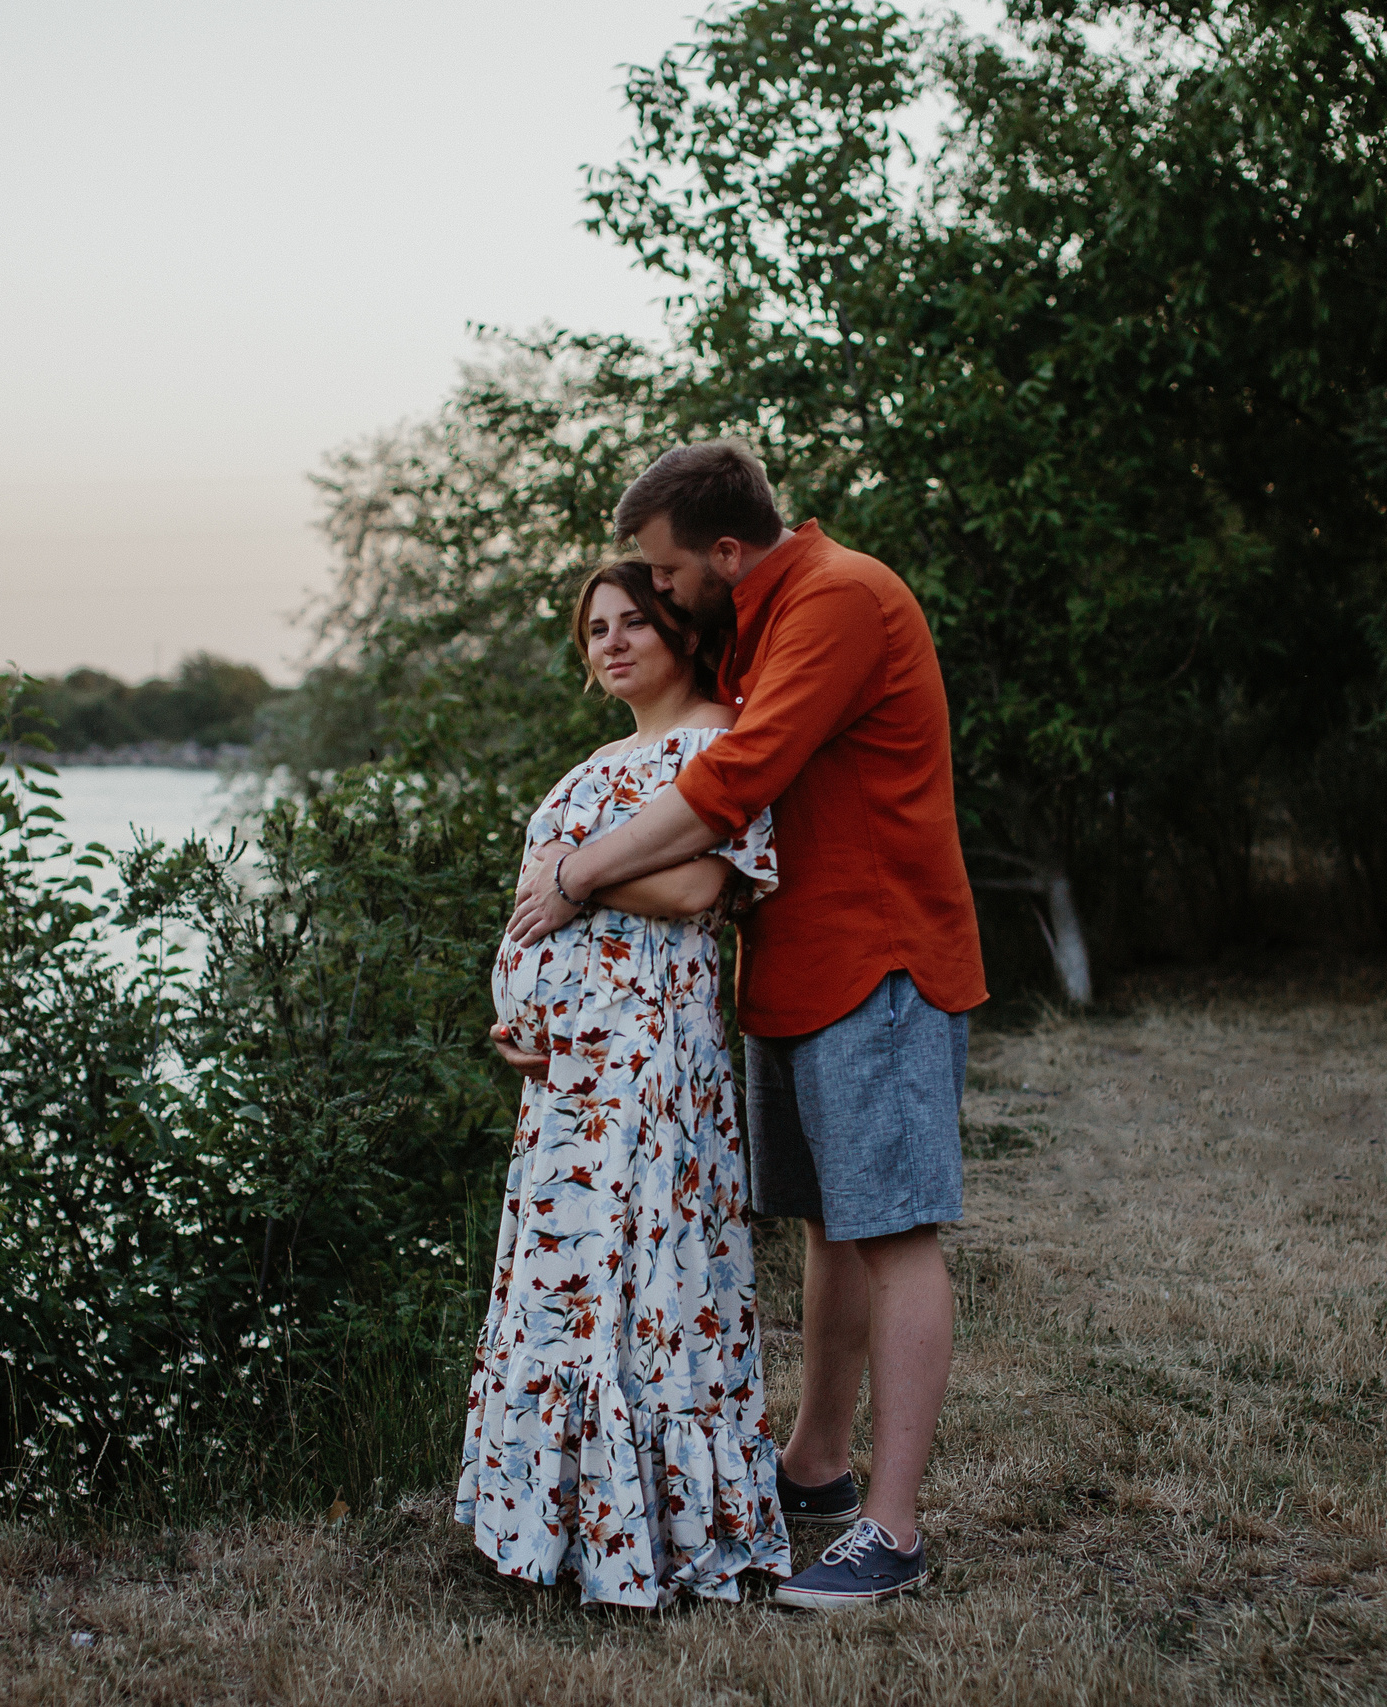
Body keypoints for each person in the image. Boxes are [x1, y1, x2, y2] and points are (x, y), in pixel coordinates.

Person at [504, 440, 987, 1610]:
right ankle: (815, 1467)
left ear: (724, 552)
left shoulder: (837, 599)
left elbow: (735, 781)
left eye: (667, 575)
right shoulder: (758, 622)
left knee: (895, 1228)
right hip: (795, 969)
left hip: (878, 958)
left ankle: (893, 1530)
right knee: (829, 1223)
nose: (660, 595)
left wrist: (572, 874)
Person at [457, 559, 791, 1608]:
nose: (609, 642)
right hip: (568, 1076)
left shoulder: (721, 741)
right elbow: (539, 903)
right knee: (566, 1285)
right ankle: (554, 1535)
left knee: (647, 1284)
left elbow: (697, 887)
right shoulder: (600, 760)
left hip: (651, 1066)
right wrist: (522, 1017)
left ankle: (656, 1534)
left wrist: (575, 874)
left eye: (632, 622)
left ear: (683, 631)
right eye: (595, 628)